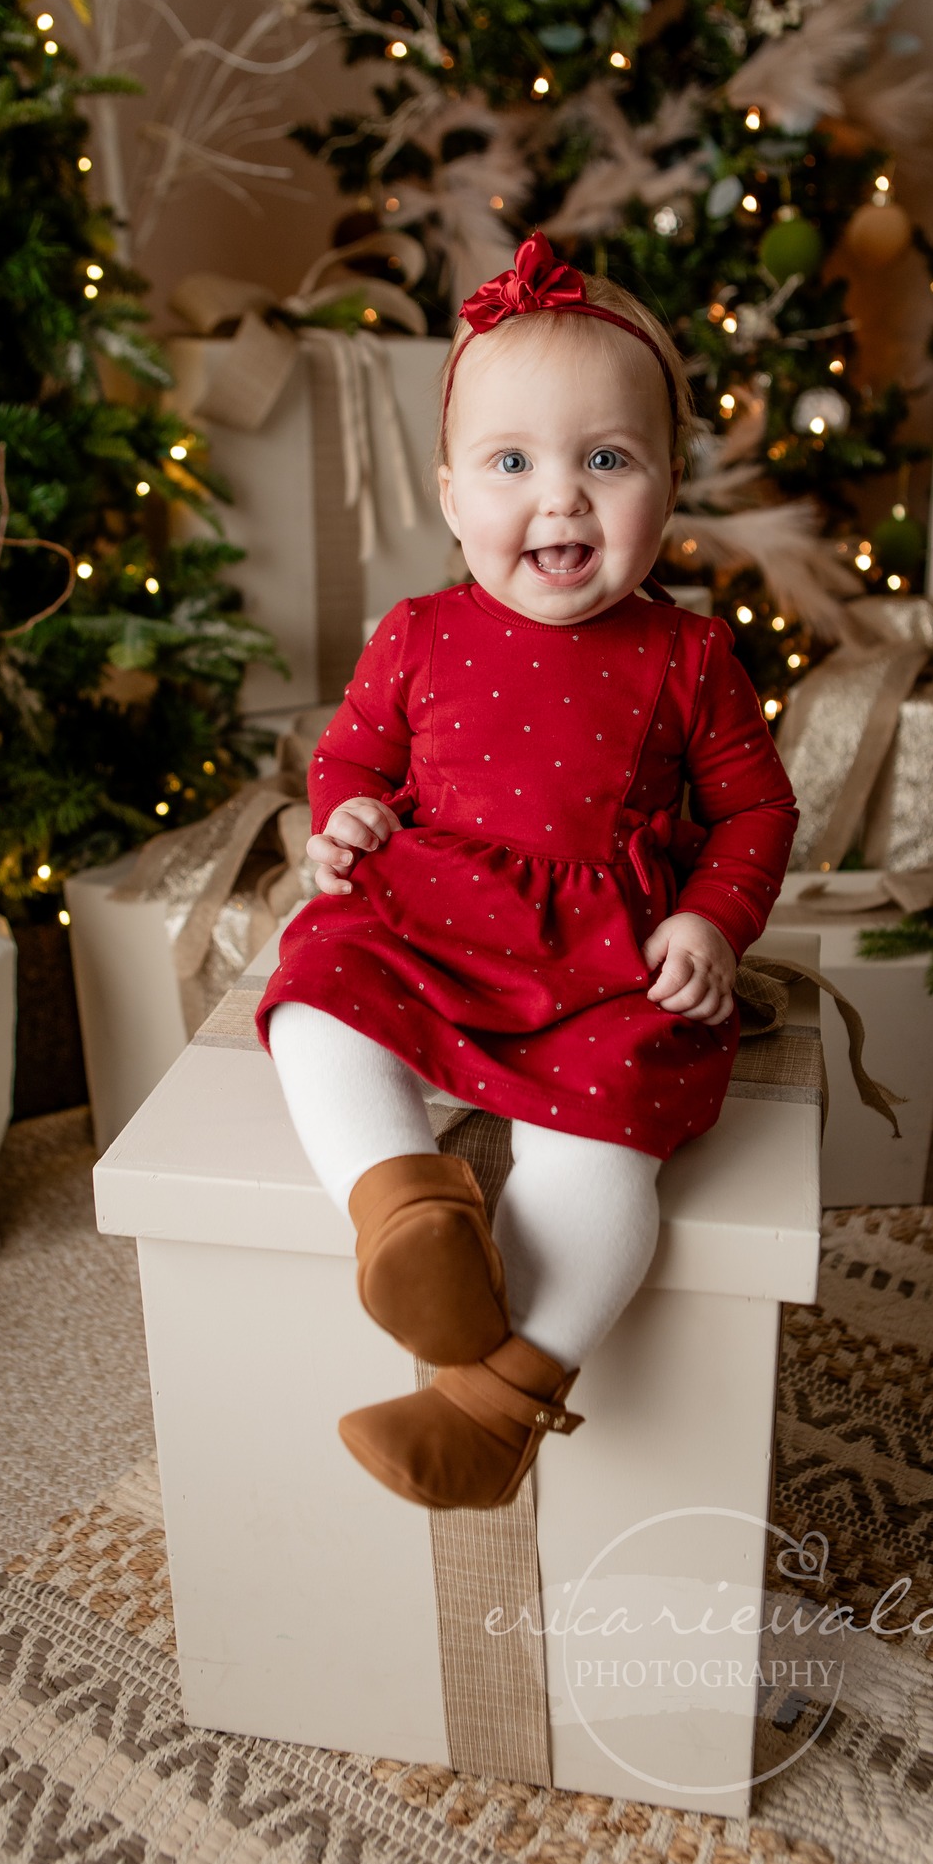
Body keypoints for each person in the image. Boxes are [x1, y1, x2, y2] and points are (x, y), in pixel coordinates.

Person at [257, 232, 798, 1513]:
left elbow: (755, 810)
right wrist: (348, 822)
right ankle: (407, 1217)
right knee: (319, 991)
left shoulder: (690, 653)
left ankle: (497, 1401)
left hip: (605, 960)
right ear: (451, 495)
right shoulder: (419, 631)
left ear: (668, 487)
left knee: (600, 1157)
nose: (560, 499)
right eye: (513, 463)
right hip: (432, 915)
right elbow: (352, 758)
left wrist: (714, 921)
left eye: (606, 460)